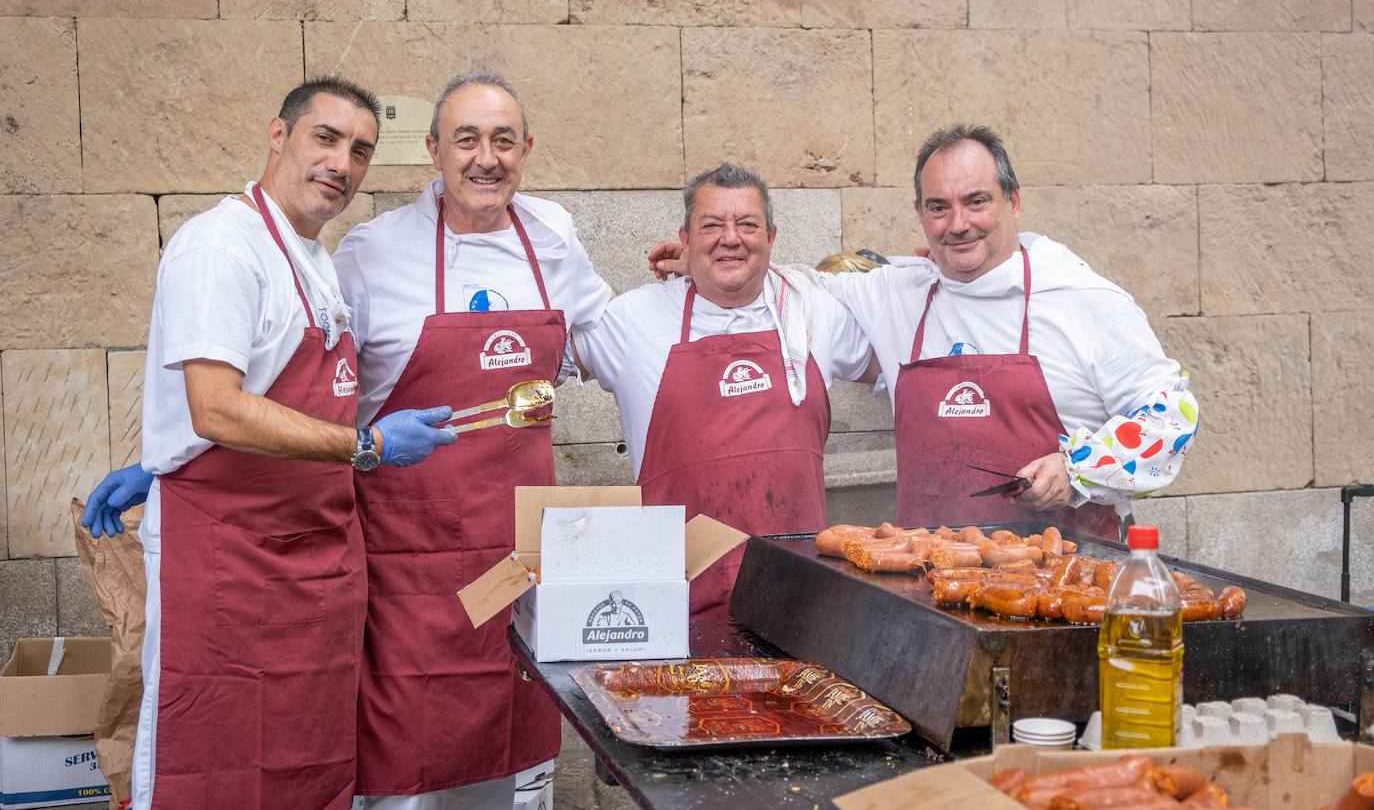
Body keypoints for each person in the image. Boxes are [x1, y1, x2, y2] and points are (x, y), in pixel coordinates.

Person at [81, 78, 457, 810]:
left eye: (360, 151)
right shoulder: (222, 247)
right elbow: (217, 407)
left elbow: (247, 390)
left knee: (301, 763)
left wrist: (160, 460)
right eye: (326, 138)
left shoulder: (313, 258)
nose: (341, 164)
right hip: (228, 564)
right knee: (210, 760)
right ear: (278, 135)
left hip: (311, 570)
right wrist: (369, 443)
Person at [652, 126, 1198, 538]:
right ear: (919, 213)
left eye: (976, 201)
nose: (957, 224)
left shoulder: (1083, 299)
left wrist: (1077, 470)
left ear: (1013, 201)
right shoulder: (898, 293)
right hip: (935, 594)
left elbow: (1174, 417)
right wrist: (713, 260)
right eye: (939, 207)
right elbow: (801, 283)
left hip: (1069, 582)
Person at [333, 71, 611, 809]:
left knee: (510, 768)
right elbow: (313, 388)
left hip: (519, 568)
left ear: (526, 149)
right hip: (407, 573)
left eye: (503, 141)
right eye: (466, 140)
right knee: (405, 768)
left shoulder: (552, 241)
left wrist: (698, 291)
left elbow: (611, 343)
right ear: (433, 150)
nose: (486, 159)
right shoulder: (371, 253)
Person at [570, 163, 875, 619]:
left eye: (747, 225)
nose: (730, 238)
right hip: (674, 605)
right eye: (711, 226)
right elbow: (543, 355)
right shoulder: (634, 319)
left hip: (801, 602)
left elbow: (899, 353)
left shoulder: (812, 312)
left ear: (771, 237)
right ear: (685, 238)